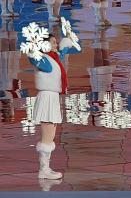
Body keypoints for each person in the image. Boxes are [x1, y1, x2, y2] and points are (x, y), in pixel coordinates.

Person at [22, 22, 81, 179]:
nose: (56, 45)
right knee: (48, 135)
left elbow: (62, 52)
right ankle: (44, 170)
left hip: (52, 97)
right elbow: (34, 57)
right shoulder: (44, 60)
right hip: (47, 98)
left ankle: (45, 169)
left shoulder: (53, 58)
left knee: (51, 133)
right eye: (53, 42)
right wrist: (33, 45)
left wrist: (67, 42)